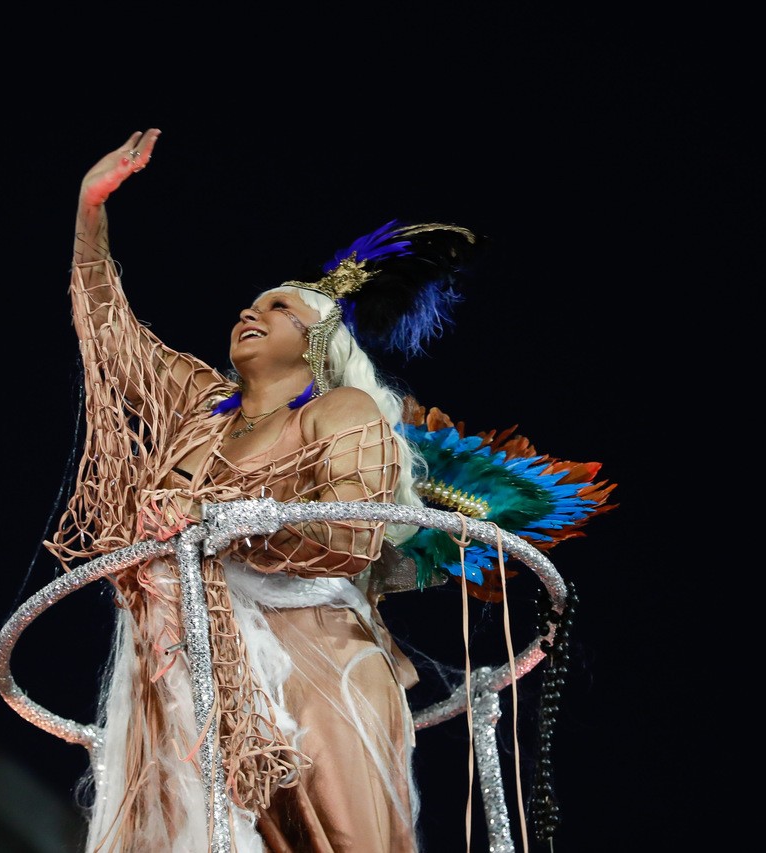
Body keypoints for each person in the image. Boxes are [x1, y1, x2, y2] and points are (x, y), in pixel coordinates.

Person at [45, 128, 481, 853]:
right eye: (250, 304)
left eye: (277, 307)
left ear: (317, 344)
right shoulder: (199, 411)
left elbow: (348, 535)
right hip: (203, 667)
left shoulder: (341, 413)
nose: (250, 312)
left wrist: (218, 520)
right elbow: (113, 336)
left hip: (323, 654)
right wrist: (91, 212)